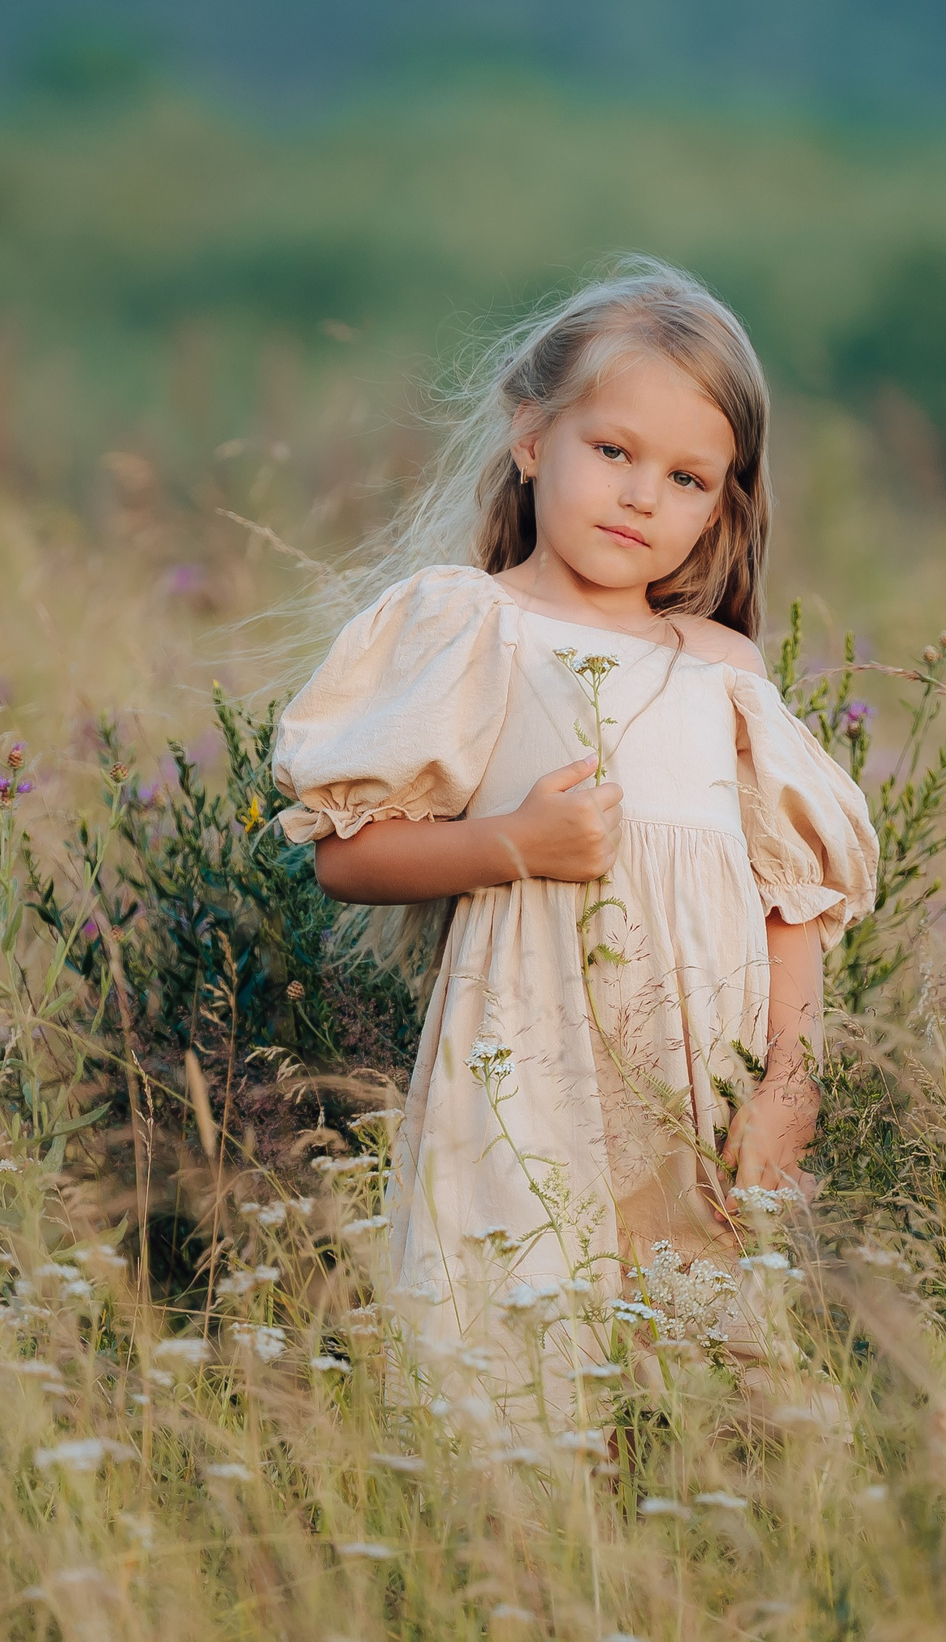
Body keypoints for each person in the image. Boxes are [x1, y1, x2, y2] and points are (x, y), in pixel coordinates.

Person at [271, 258, 876, 1407]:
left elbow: (787, 899)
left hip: (695, 1093)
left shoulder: (724, 673)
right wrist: (516, 845)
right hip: (527, 1077)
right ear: (531, 436)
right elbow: (347, 854)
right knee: (517, 1373)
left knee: (714, 1393)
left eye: (688, 477)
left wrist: (786, 1087)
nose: (643, 498)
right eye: (613, 454)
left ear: (724, 501)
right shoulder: (472, 624)